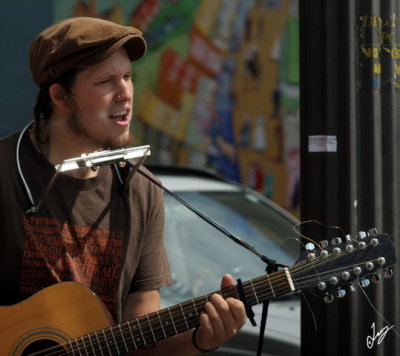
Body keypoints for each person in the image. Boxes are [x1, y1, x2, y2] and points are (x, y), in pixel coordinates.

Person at [0, 17, 246, 355]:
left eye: (128, 77)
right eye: (106, 81)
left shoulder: (140, 188)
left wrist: (199, 340)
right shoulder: (5, 172)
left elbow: (141, 334)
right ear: (60, 96)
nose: (125, 92)